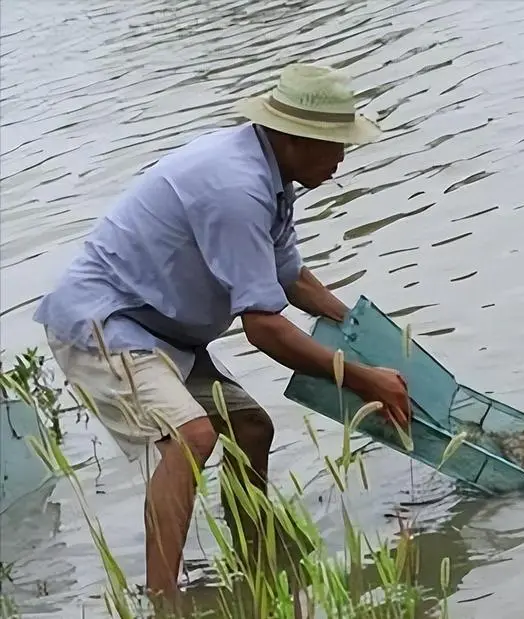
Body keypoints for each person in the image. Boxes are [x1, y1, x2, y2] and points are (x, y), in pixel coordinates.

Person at [33, 62, 410, 609]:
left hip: (163, 331)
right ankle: (163, 601)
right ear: (293, 138)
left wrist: (368, 338)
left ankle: (259, 561)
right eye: (334, 145)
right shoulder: (234, 188)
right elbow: (263, 328)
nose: (341, 159)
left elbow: (292, 278)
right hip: (105, 324)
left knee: (250, 429)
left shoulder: (271, 180)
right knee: (192, 438)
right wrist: (364, 380)